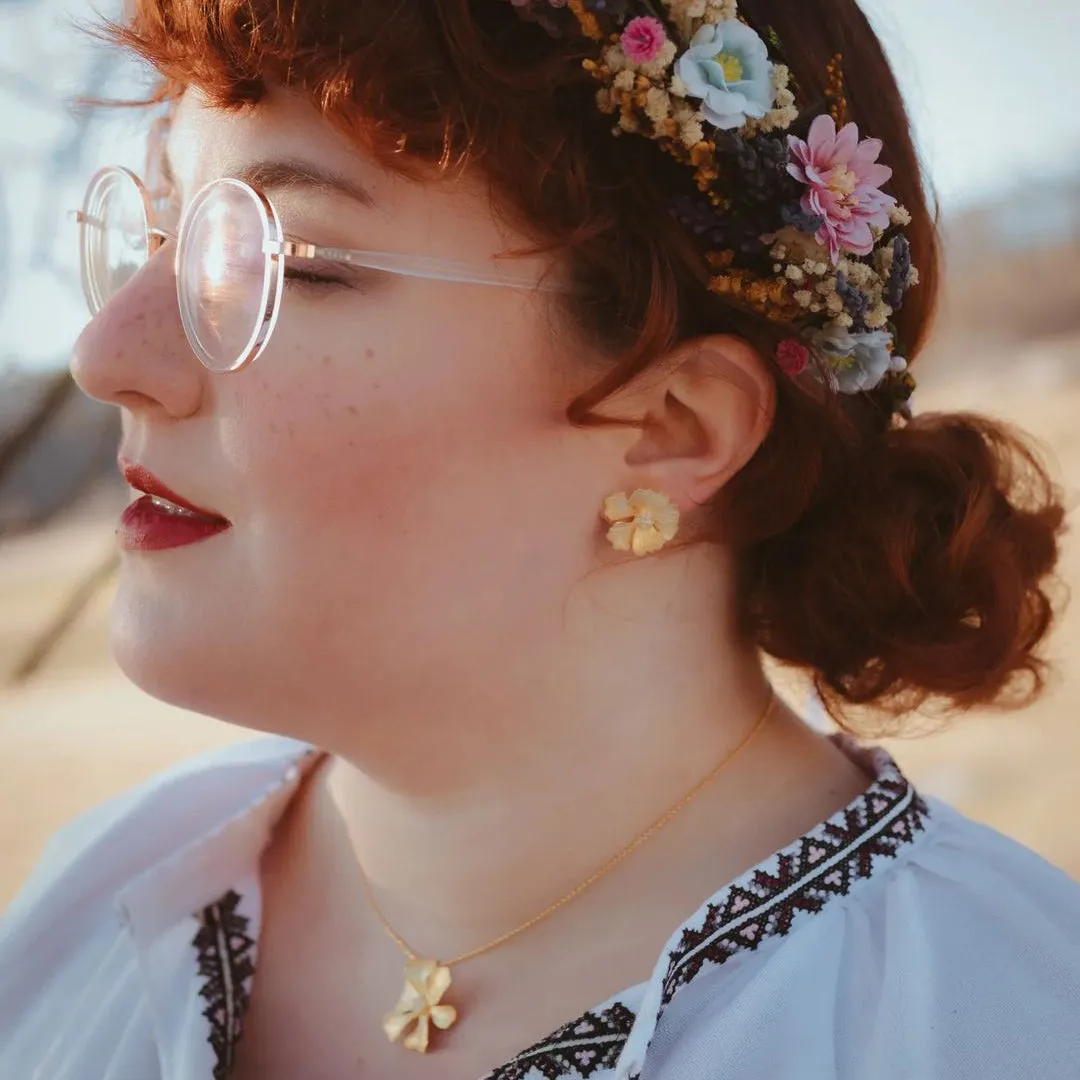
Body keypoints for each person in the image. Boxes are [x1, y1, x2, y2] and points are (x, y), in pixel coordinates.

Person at [2, 0, 1078, 1077]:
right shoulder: (86, 912)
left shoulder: (995, 1019)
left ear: (671, 425)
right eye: (165, 232)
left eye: (281, 260)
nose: (104, 354)